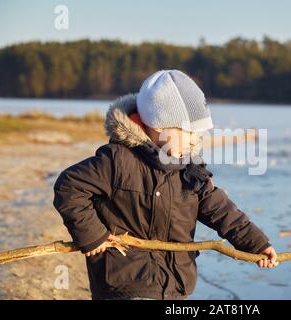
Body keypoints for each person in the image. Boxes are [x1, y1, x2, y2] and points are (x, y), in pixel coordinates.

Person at [53, 69, 277, 300]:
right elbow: (70, 187)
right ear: (158, 125)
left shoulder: (190, 169)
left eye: (195, 133)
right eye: (186, 131)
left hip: (174, 283)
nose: (193, 140)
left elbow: (221, 211)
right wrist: (92, 235)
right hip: (125, 283)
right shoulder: (118, 160)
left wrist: (256, 244)